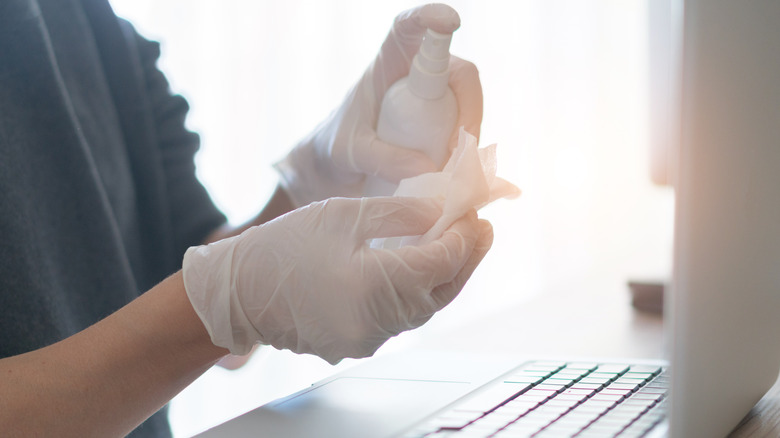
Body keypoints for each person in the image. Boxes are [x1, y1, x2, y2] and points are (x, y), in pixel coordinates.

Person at [0, 0, 491, 436]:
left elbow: (193, 315)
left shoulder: (94, 26)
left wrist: (312, 182)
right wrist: (228, 301)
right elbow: (202, 310)